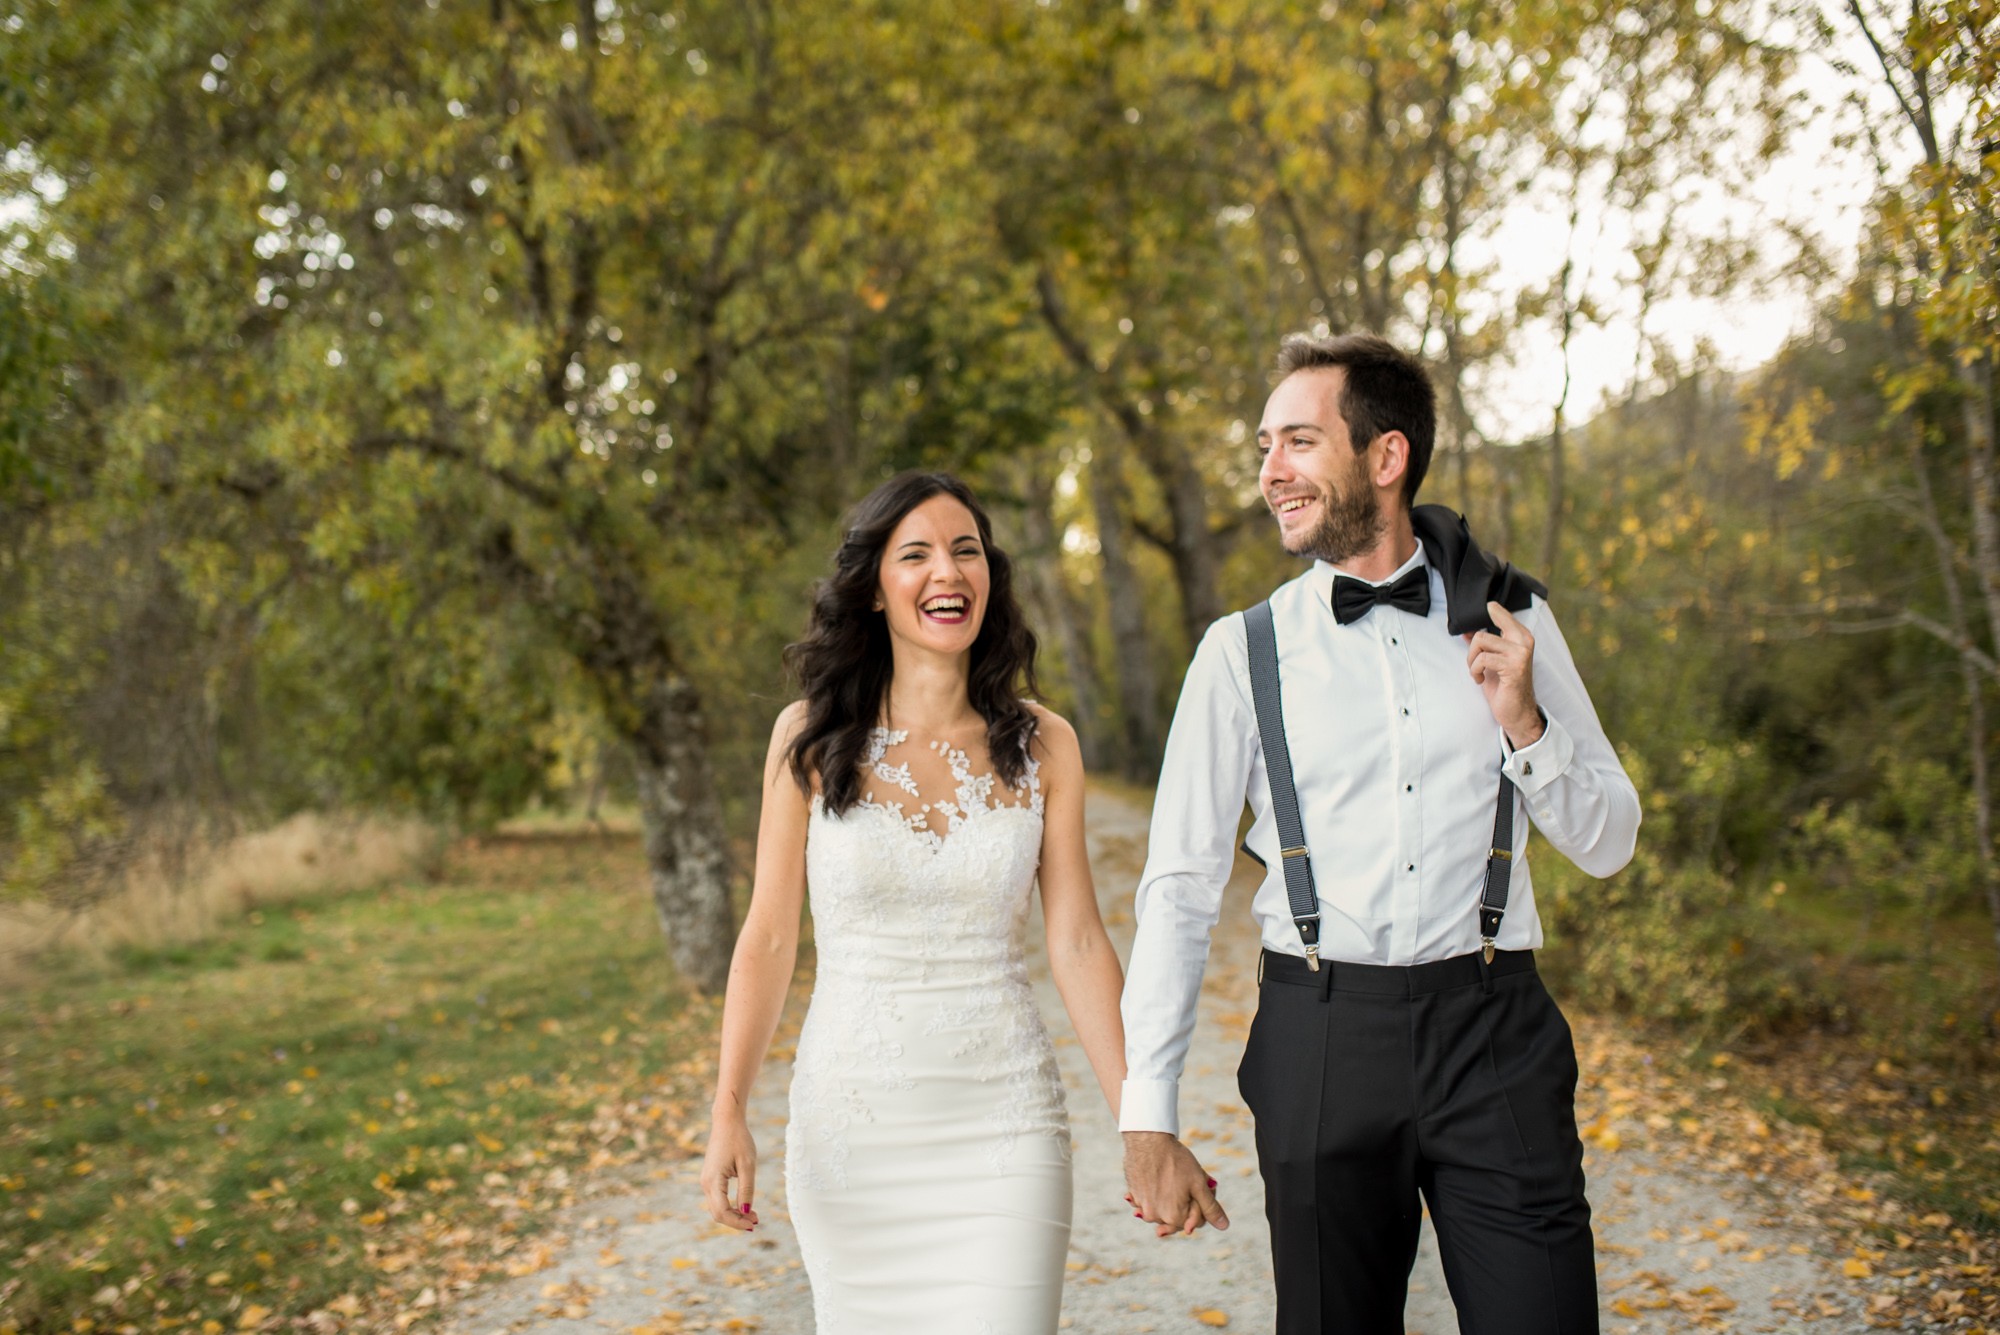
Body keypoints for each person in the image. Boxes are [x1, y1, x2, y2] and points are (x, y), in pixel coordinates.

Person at [1119, 332, 1641, 1333]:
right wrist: (1148, 1114)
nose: (1270, 472)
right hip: (1318, 1036)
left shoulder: (1511, 615)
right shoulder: (1239, 652)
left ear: (1385, 456)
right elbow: (1179, 887)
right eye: (1264, 446)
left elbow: (1608, 841)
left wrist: (1525, 726)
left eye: (1298, 443)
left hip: (1493, 1031)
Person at [699, 471, 1129, 1333]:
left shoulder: (1046, 745)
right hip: (853, 1130)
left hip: (1006, 1122)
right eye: (918, 554)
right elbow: (772, 935)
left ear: (990, 580)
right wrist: (730, 1106)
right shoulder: (808, 738)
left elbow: (1078, 941)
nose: (949, 572)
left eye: (967, 551)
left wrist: (1142, 1119)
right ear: (873, 588)